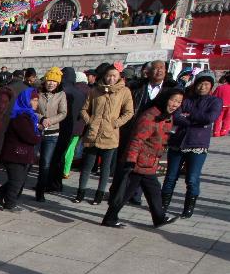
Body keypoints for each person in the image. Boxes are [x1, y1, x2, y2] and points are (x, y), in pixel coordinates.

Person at [102, 88, 184, 228]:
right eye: (173, 100)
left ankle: (159, 218)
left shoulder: (166, 116)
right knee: (127, 192)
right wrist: (131, 160)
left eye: (179, 102)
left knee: (153, 190)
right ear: (165, 99)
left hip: (149, 162)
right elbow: (137, 140)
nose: (175, 104)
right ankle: (110, 218)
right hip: (138, 163)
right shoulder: (150, 116)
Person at [161, 72, 223, 219]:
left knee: (192, 178)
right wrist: (196, 120)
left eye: (207, 84)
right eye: (200, 83)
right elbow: (176, 116)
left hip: (198, 144)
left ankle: (188, 208)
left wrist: (188, 115)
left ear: (211, 87)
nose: (203, 87)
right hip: (178, 142)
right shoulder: (186, 100)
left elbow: (209, 118)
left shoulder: (215, 101)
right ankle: (163, 204)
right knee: (170, 176)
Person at [74, 66, 133, 204]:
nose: (111, 78)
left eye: (114, 76)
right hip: (93, 133)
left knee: (105, 168)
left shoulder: (124, 92)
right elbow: (84, 109)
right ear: (104, 76)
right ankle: (80, 193)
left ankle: (99, 195)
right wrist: (90, 121)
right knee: (87, 165)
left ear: (119, 77)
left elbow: (129, 112)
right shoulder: (95, 90)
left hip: (110, 134)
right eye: (108, 76)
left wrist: (115, 123)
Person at [0, 88, 41, 211]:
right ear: (26, 101)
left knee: (18, 180)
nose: (37, 103)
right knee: (17, 181)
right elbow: (30, 137)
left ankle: (0, 193)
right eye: (34, 100)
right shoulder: (21, 117)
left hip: (21, 154)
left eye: (37, 100)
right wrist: (38, 135)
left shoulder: (29, 116)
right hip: (15, 154)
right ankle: (10, 204)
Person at [51, 67, 89, 187]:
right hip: (74, 127)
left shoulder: (62, 91)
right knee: (65, 153)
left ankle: (51, 182)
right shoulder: (80, 93)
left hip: (58, 127)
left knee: (54, 156)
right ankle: (58, 182)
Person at [34, 67, 67, 202]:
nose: (51, 83)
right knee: (30, 160)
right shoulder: (37, 93)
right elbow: (32, 109)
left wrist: (50, 121)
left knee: (45, 163)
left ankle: (40, 191)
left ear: (58, 83)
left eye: (54, 81)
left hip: (52, 134)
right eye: (49, 80)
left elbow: (63, 113)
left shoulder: (61, 95)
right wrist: (41, 118)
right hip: (37, 130)